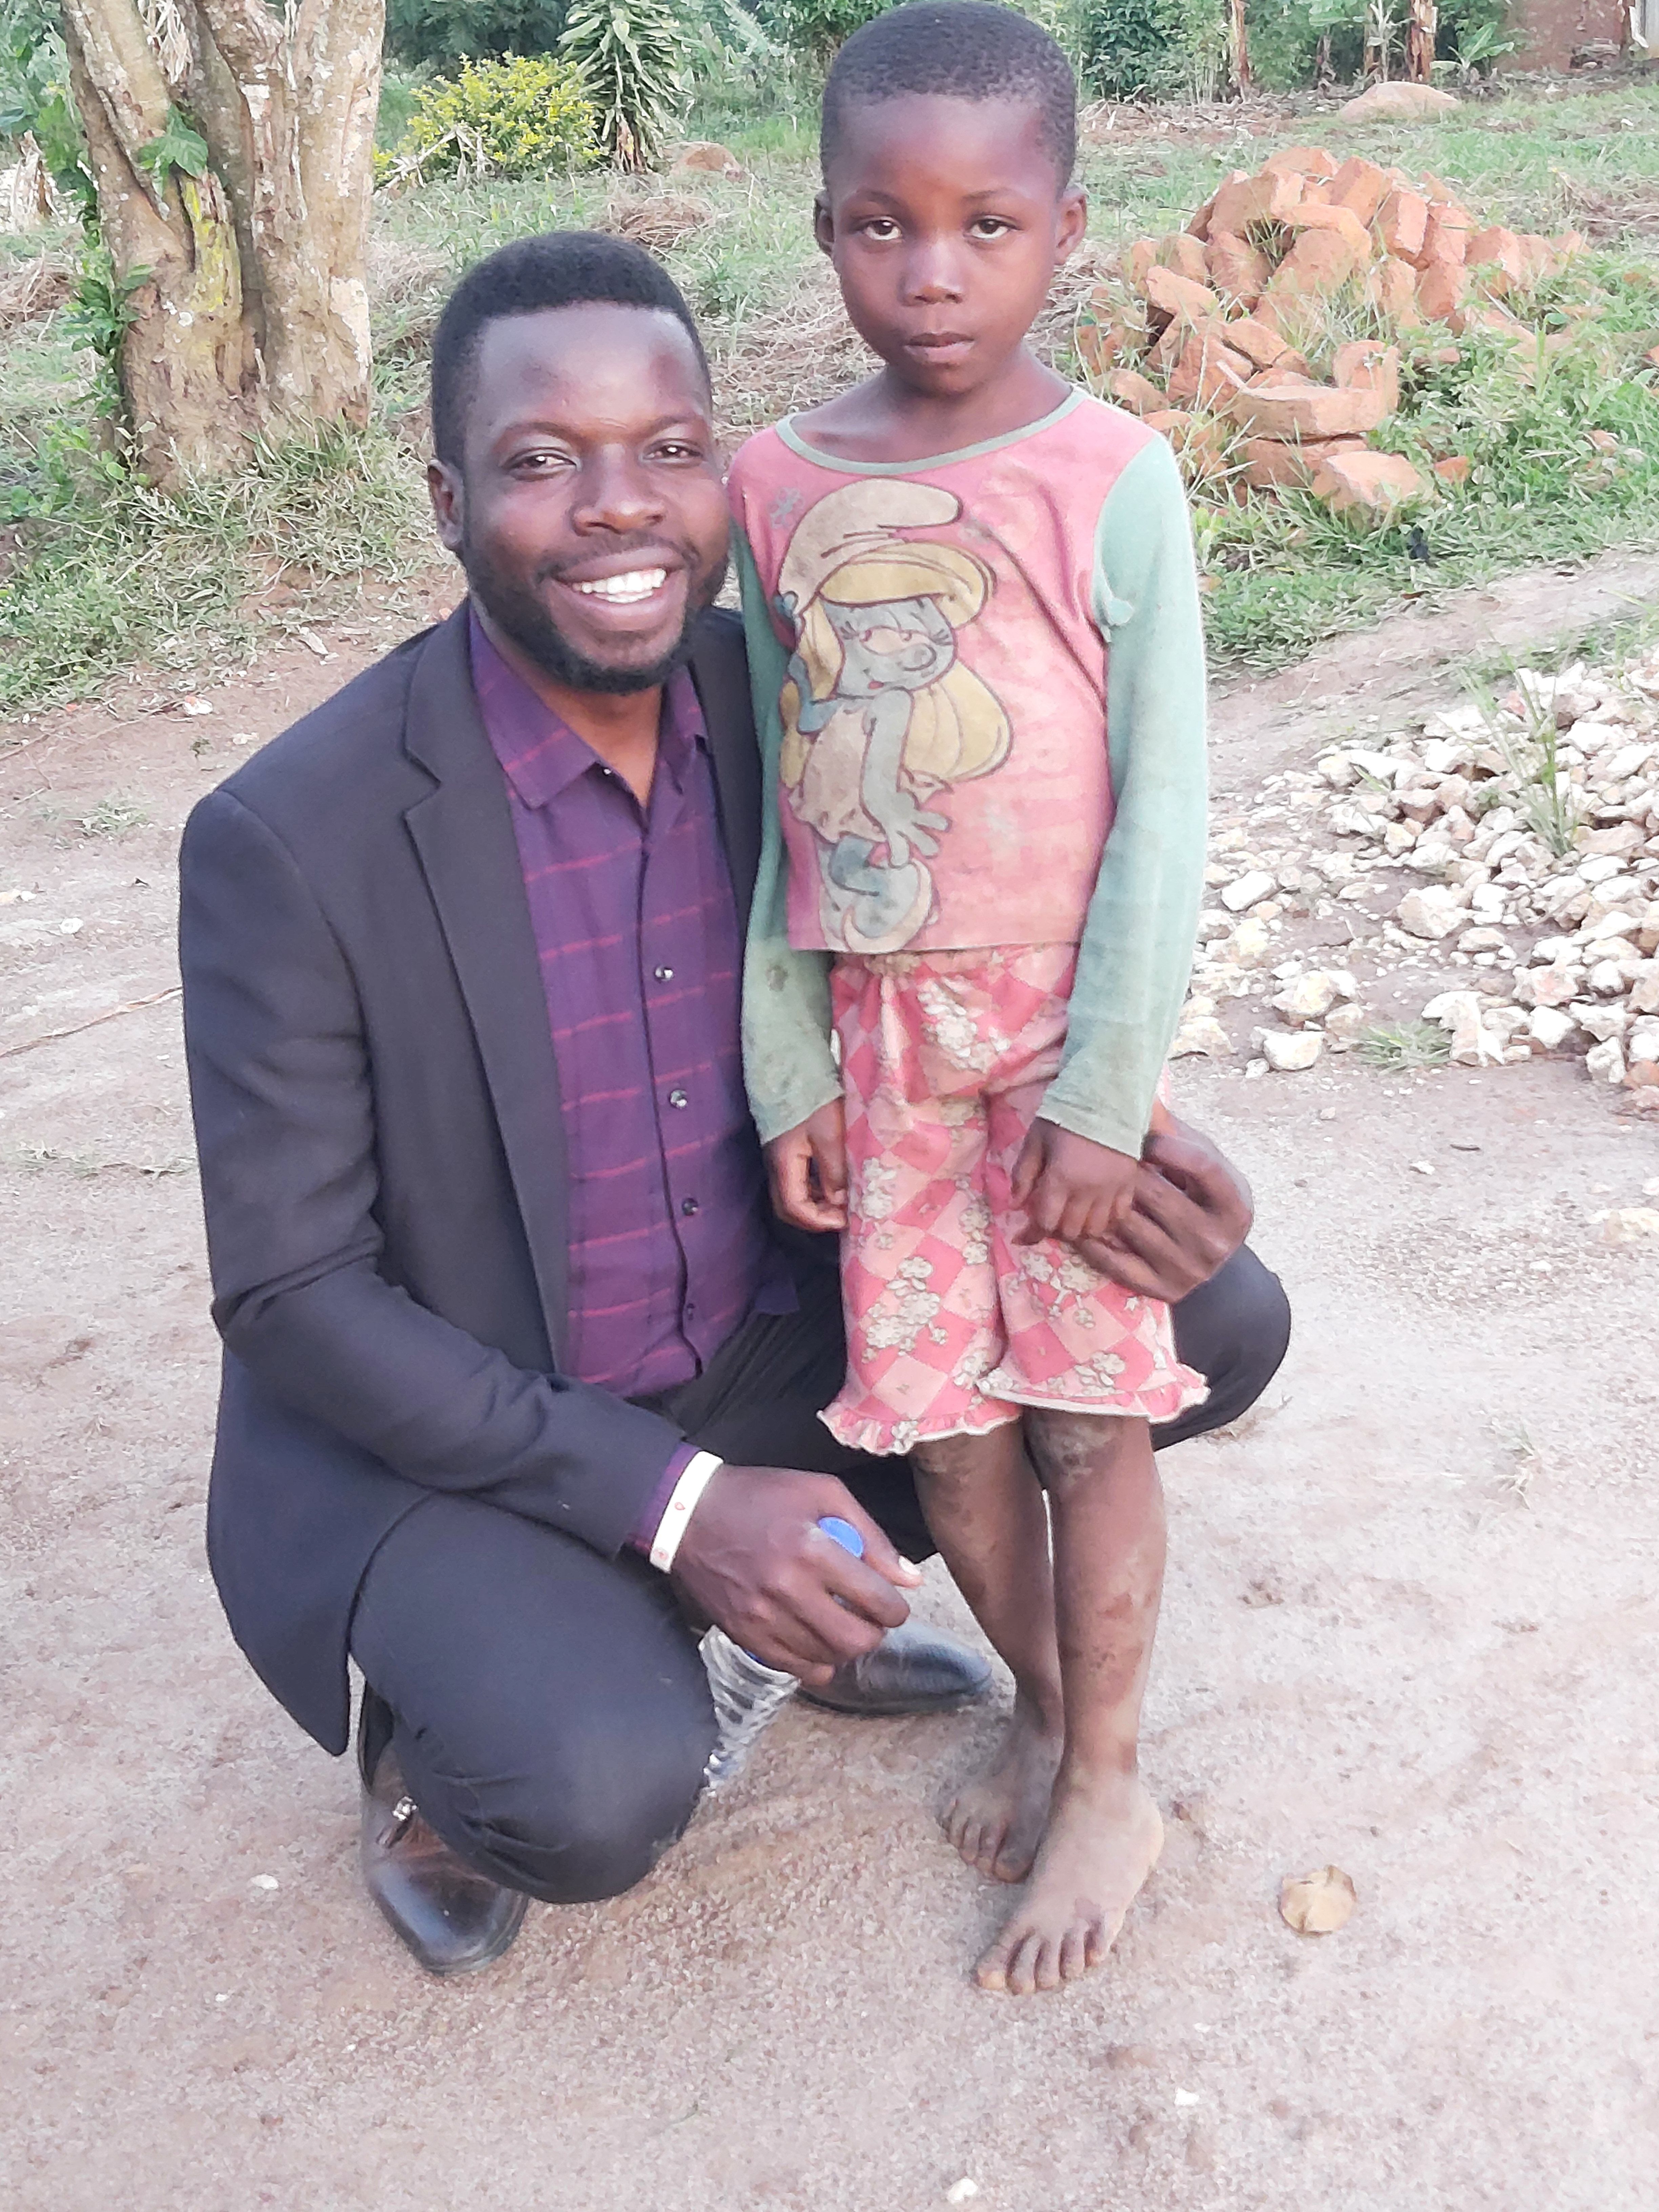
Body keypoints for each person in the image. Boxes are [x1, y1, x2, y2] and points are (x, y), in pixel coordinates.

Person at [178, 229, 1289, 1981]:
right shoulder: (292, 838)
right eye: (543, 460)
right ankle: (449, 1745)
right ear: (448, 502)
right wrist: (682, 1505)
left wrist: (1117, 1126)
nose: (621, 506)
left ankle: (783, 1600)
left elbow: (974, 949)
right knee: (590, 1784)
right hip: (484, 1412)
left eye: (672, 448)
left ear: (727, 471)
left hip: (755, 1336)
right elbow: (294, 1295)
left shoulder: (792, 701)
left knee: (1210, 1320)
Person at [729, 2, 1222, 1996]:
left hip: (1052, 1044)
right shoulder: (774, 483)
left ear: (1067, 230)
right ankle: (1041, 1702)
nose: (932, 274)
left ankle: (1111, 1775)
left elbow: (1164, 808)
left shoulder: (1114, 475)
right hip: (880, 1055)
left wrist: (1105, 1091)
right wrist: (790, 1067)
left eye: (987, 226)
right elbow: (775, 812)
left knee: (1092, 1425)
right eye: (884, 224)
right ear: (827, 228)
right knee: (947, 1442)